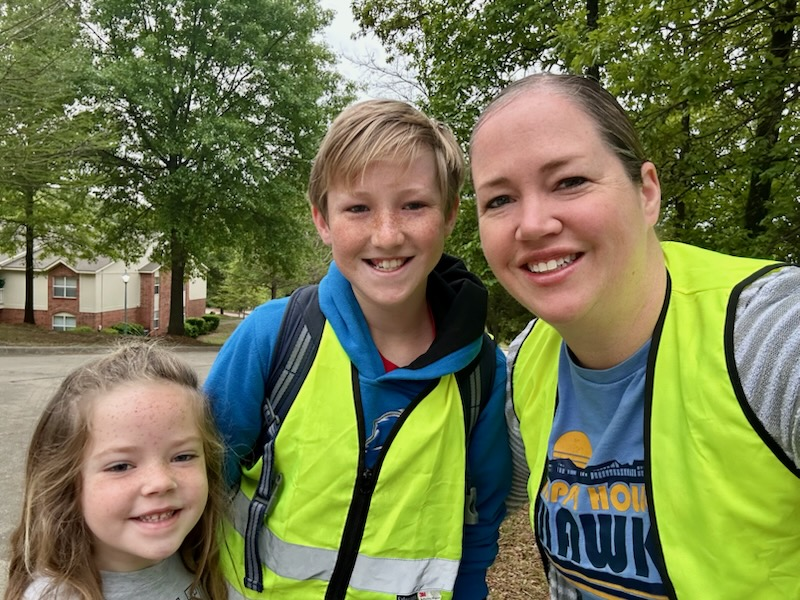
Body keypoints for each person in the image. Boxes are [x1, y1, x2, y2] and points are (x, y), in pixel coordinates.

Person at [471, 72, 800, 599]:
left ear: (647, 192)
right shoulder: (526, 361)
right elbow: (479, 500)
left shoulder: (766, 334)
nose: (531, 224)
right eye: (499, 200)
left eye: (569, 182)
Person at [205, 98, 511, 599]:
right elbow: (204, 488)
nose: (387, 235)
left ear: (452, 213)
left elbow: (477, 529)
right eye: (358, 208)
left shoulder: (481, 373)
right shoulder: (273, 337)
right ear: (323, 220)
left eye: (414, 204)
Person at [4, 342, 229, 600]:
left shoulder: (200, 561)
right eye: (121, 466)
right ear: (66, 484)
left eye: (182, 456)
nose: (160, 482)